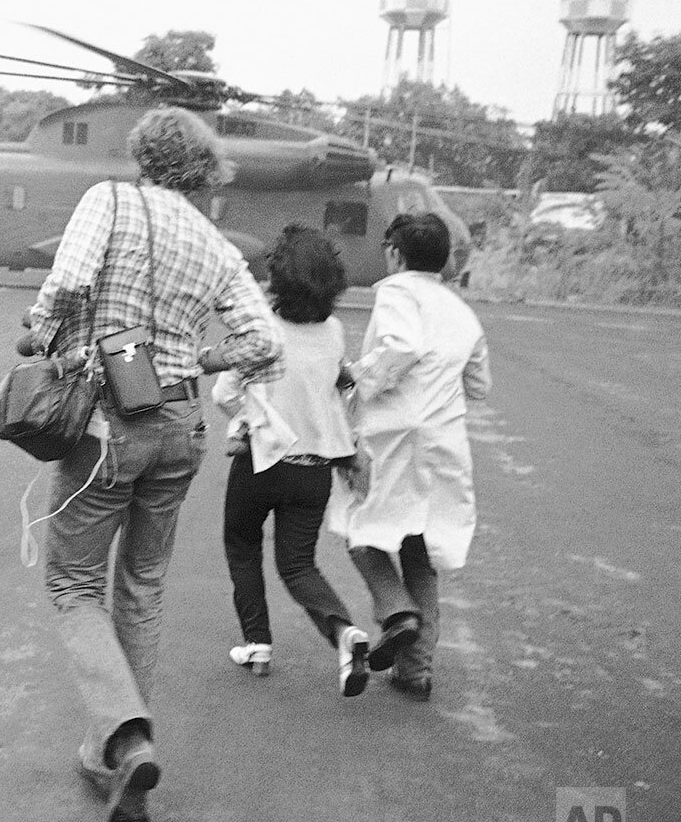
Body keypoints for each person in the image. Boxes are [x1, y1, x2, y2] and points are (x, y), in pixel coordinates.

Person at [19, 107, 282, 822]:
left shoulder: (108, 200)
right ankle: (118, 752)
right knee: (141, 584)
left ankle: (125, 737)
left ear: (140, 153)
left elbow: (69, 284)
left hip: (109, 424)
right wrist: (197, 360)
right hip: (182, 430)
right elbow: (263, 343)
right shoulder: (216, 241)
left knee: (73, 585)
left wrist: (40, 335)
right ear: (202, 172)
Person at [329, 212, 491, 703]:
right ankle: (415, 671)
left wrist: (356, 375)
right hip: (444, 440)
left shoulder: (397, 290)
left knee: (363, 529)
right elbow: (480, 385)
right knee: (420, 548)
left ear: (395, 254)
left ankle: (396, 611)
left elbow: (402, 346)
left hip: (394, 433)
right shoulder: (461, 310)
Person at [209, 225, 369, 696]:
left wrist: (248, 417)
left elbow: (224, 394)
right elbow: (337, 387)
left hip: (261, 463)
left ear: (278, 279)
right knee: (299, 565)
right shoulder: (335, 332)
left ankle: (256, 642)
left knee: (242, 544)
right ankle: (344, 633)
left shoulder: (262, 330)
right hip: (313, 471)